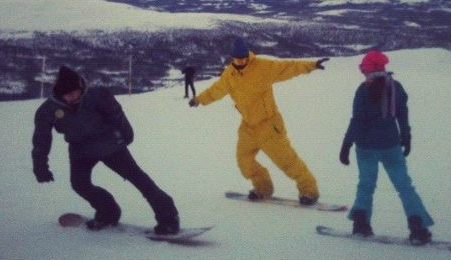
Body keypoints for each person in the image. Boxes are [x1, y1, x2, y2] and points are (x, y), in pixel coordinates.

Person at [32, 65, 181, 234]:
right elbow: (41, 139)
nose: (71, 97)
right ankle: (108, 212)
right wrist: (40, 166)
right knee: (80, 185)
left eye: (75, 92)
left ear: (81, 87)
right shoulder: (47, 110)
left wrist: (126, 134)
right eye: (67, 94)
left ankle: (169, 219)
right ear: (59, 93)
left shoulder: (98, 95)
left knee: (139, 180)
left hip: (109, 144)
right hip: (80, 150)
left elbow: (117, 115)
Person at [189, 37, 328, 204]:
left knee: (287, 162)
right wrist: (199, 99)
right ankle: (263, 188)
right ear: (232, 58)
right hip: (248, 126)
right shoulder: (229, 74)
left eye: (243, 58)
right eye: (237, 59)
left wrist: (312, 65)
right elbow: (216, 89)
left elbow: (287, 67)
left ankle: (309, 191)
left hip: (269, 125)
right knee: (244, 161)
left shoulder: (262, 67)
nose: (241, 62)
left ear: (247, 55)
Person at [338, 50, 434, 244]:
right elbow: (402, 114)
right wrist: (406, 136)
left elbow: (357, 120)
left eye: (364, 69)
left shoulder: (363, 90)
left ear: (367, 69)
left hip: (365, 147)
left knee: (366, 185)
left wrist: (347, 143)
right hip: (391, 145)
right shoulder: (396, 87)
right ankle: (417, 227)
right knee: (404, 186)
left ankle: (360, 224)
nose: (363, 73)